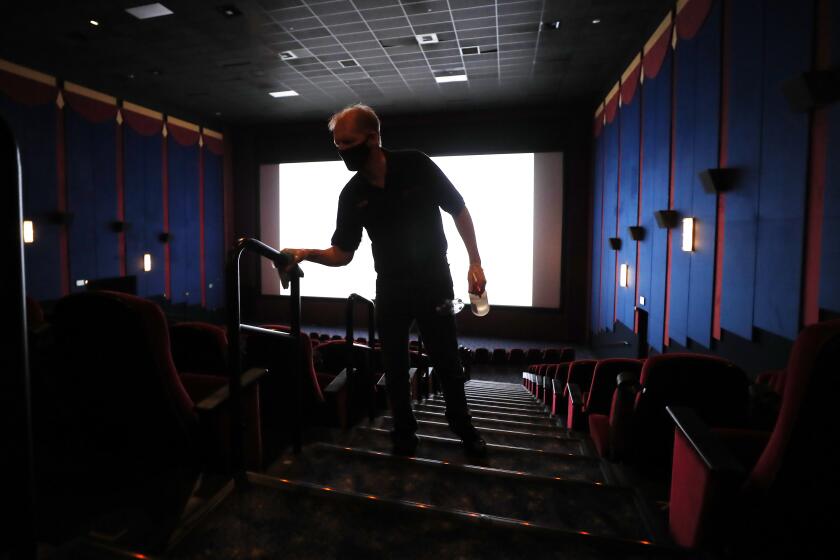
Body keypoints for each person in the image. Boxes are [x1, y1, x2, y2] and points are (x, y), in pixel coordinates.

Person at [281, 104, 487, 456]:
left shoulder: (416, 164)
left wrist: (476, 261)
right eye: (337, 145)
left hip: (435, 279)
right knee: (393, 364)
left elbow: (458, 207)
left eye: (348, 142)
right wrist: (306, 253)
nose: (342, 151)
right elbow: (342, 253)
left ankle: (463, 428)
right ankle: (404, 434)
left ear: (373, 138)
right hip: (390, 286)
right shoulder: (351, 194)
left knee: (447, 359)